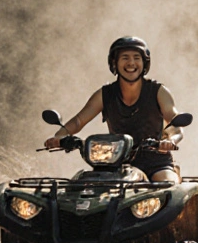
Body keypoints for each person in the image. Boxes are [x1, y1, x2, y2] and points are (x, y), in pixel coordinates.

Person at [44, 37, 184, 182]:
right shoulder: (105, 94)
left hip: (157, 163)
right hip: (117, 164)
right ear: (114, 63)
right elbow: (79, 121)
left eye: (137, 58)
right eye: (125, 58)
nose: (131, 63)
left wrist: (170, 141)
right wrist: (60, 136)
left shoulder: (158, 91)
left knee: (168, 186)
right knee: (85, 186)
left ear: (144, 63)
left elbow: (175, 125)